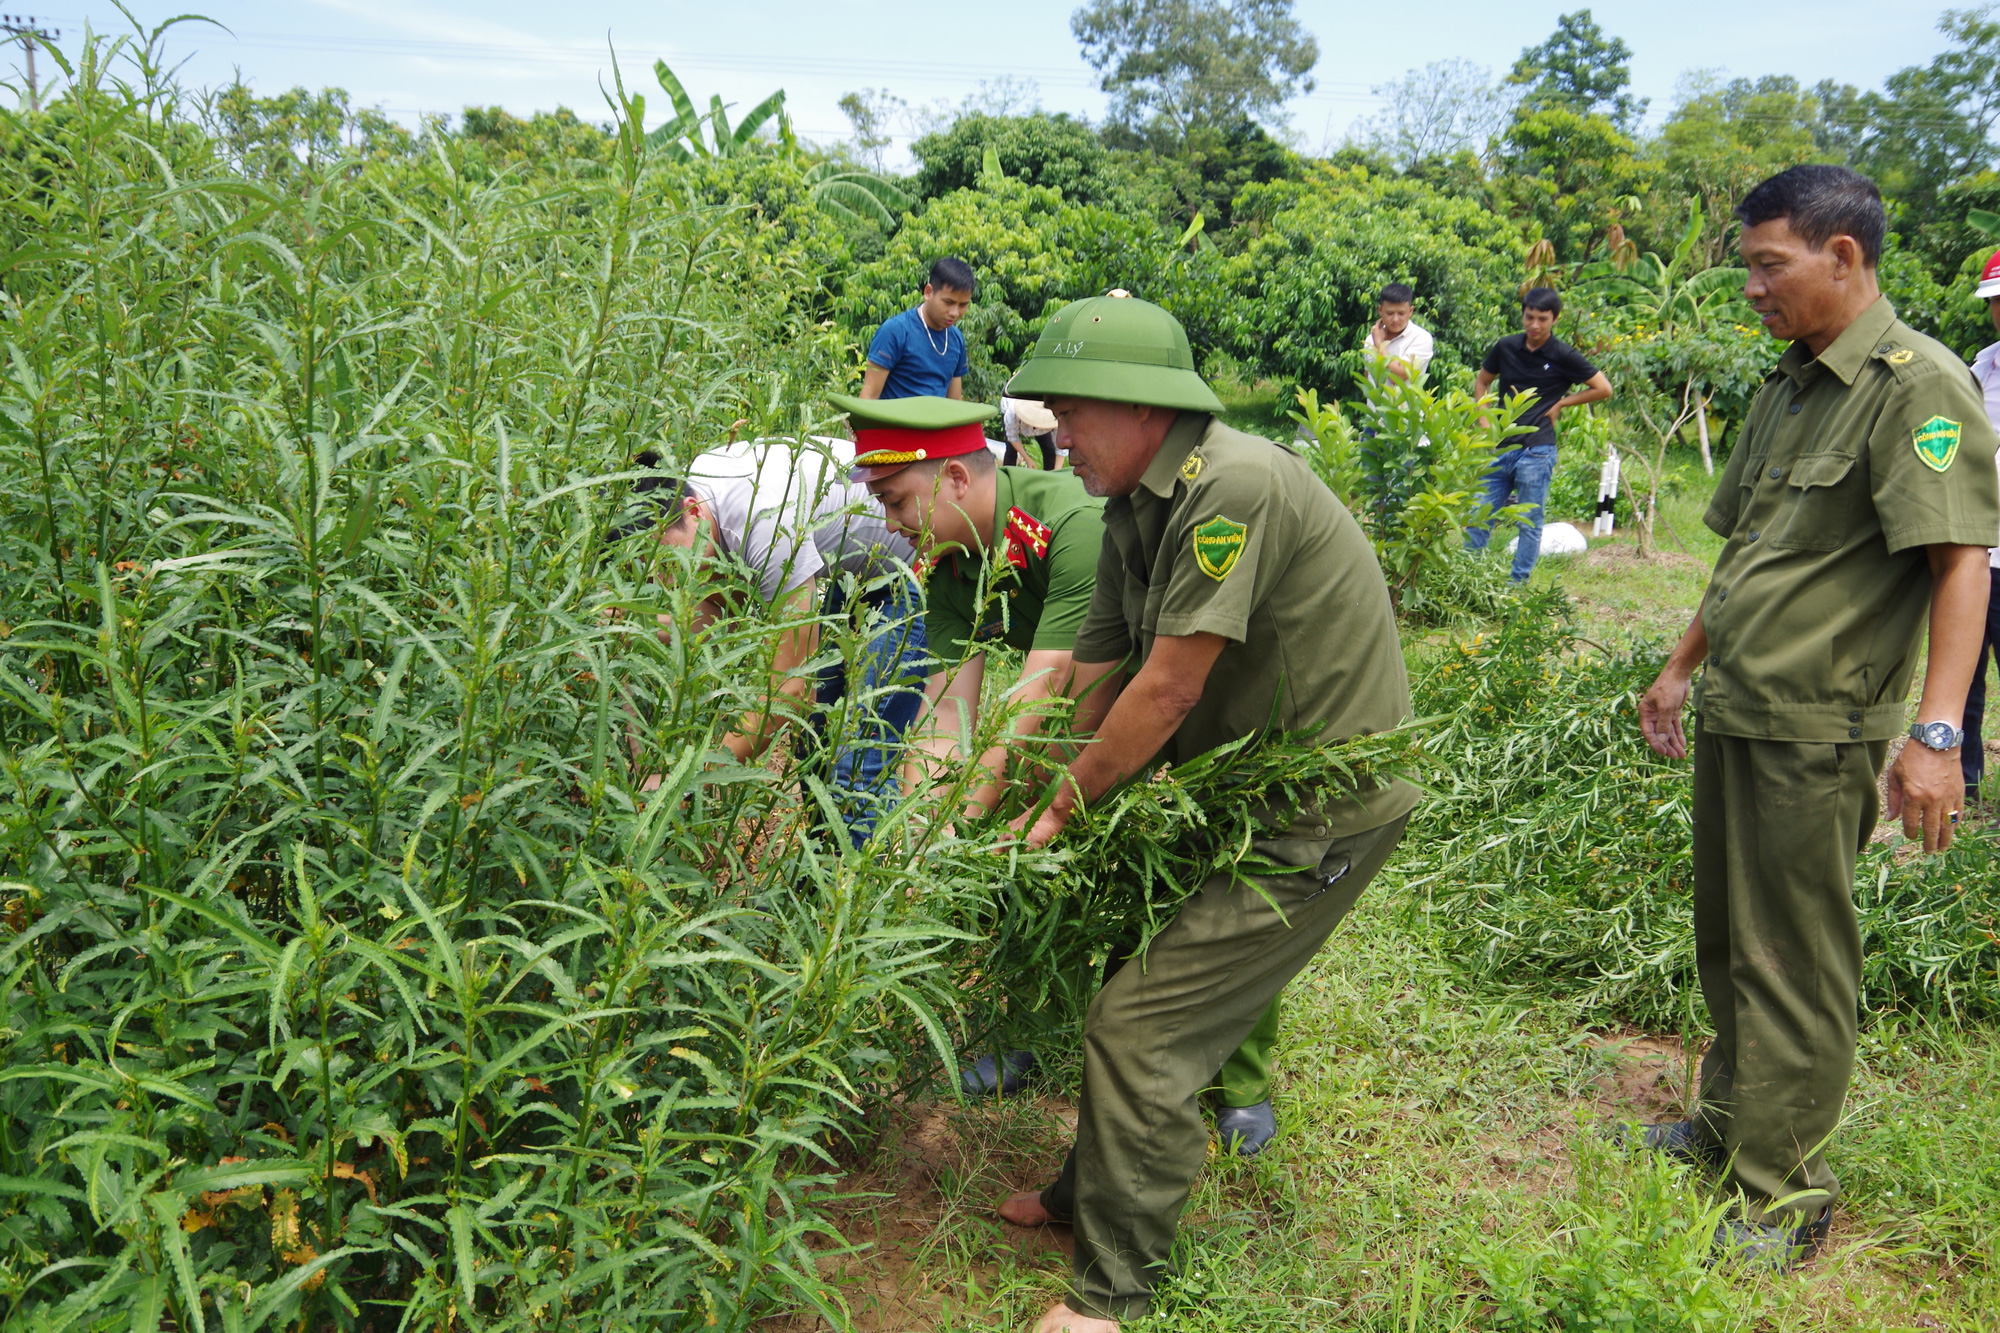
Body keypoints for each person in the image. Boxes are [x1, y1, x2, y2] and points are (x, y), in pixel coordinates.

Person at [991, 293, 1420, 1333]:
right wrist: (1008, 787)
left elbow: (1167, 689)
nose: (1053, 433)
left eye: (1066, 411)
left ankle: (1111, 1291)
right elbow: (1096, 671)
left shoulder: (1228, 487)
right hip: (1228, 796)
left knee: (1142, 1028)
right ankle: (1082, 1191)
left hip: (1313, 809)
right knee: (1123, 970)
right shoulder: (1130, 504)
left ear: (1136, 406)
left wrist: (1054, 809)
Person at [1636, 165, 1999, 1271]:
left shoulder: (1917, 387)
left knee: (1793, 956)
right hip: (1741, 706)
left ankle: (1783, 1194)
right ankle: (1726, 1126)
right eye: (1745, 264)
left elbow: (1958, 564)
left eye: (1765, 264)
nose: (1748, 286)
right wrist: (1677, 664)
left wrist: (1935, 737)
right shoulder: (1788, 386)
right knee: (1727, 937)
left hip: (1820, 721)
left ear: (1841, 257)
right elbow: (1746, 546)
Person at [851, 393, 1290, 1149]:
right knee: (1016, 851)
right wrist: (920, 818)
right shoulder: (954, 564)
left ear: (955, 478)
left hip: (1180, 709)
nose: (890, 523)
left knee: (1207, 883)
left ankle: (1239, 1083)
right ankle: (1025, 1021)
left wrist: (982, 812)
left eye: (896, 500)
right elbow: (946, 706)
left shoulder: (1070, 525)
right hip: (1084, 715)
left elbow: (1051, 681)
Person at [626, 436, 929, 843]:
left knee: (859, 755)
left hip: (915, 558)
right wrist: (628, 632)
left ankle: (864, 888)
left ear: (692, 511)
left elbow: (789, 688)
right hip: (852, 566)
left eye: (667, 562)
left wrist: (687, 782)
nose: (667, 581)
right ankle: (824, 865)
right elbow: (715, 622)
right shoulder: (699, 503)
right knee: (815, 736)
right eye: (652, 573)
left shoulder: (763, 521)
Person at [1469, 288, 1614, 582]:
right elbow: (1482, 381)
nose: (1534, 325)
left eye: (1542, 319)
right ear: (1523, 314)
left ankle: (1517, 583)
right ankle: (1468, 576)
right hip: (1501, 445)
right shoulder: (1506, 346)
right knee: (1478, 517)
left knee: (1529, 522)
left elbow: (1603, 388)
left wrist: (1562, 402)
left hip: (1537, 450)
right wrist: (1484, 420)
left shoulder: (1563, 354)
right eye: (1529, 317)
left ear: (1555, 319)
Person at [1961, 249, 2000, 803]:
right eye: (1996, 301)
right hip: (1976, 555)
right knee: (1963, 679)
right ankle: (1962, 786)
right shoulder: (1979, 368)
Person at [861, 257, 974, 401]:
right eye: (948, 302)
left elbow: (955, 402)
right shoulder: (895, 331)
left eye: (963, 305)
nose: (955, 312)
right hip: (894, 422)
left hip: (938, 422)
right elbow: (868, 397)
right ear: (928, 292)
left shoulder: (956, 339)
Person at [1362, 282, 1434, 383]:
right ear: (1380, 310)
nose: (1395, 319)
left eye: (1401, 313)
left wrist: (1379, 344)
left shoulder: (1421, 338)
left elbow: (1398, 377)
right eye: (1389, 313)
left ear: (1410, 311)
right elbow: (1368, 377)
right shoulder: (1370, 340)